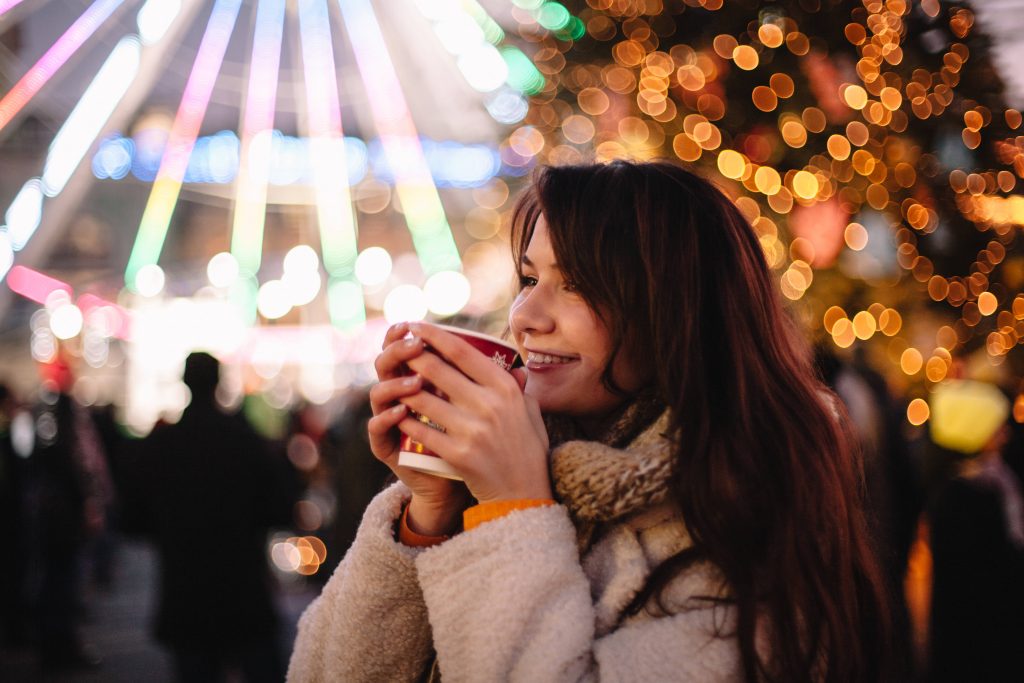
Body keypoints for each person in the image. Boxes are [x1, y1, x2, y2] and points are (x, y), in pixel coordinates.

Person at [288, 161, 895, 682]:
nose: (525, 315)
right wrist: (428, 512)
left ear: (675, 310)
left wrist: (513, 507)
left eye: (577, 284)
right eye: (529, 278)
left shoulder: (752, 516)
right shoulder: (507, 470)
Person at [123, 352, 296, 683]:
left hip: (185, 591)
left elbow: (133, 519)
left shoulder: (161, 446)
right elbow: (280, 508)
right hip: (243, 586)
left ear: (185, 383)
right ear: (219, 383)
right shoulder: (246, 442)